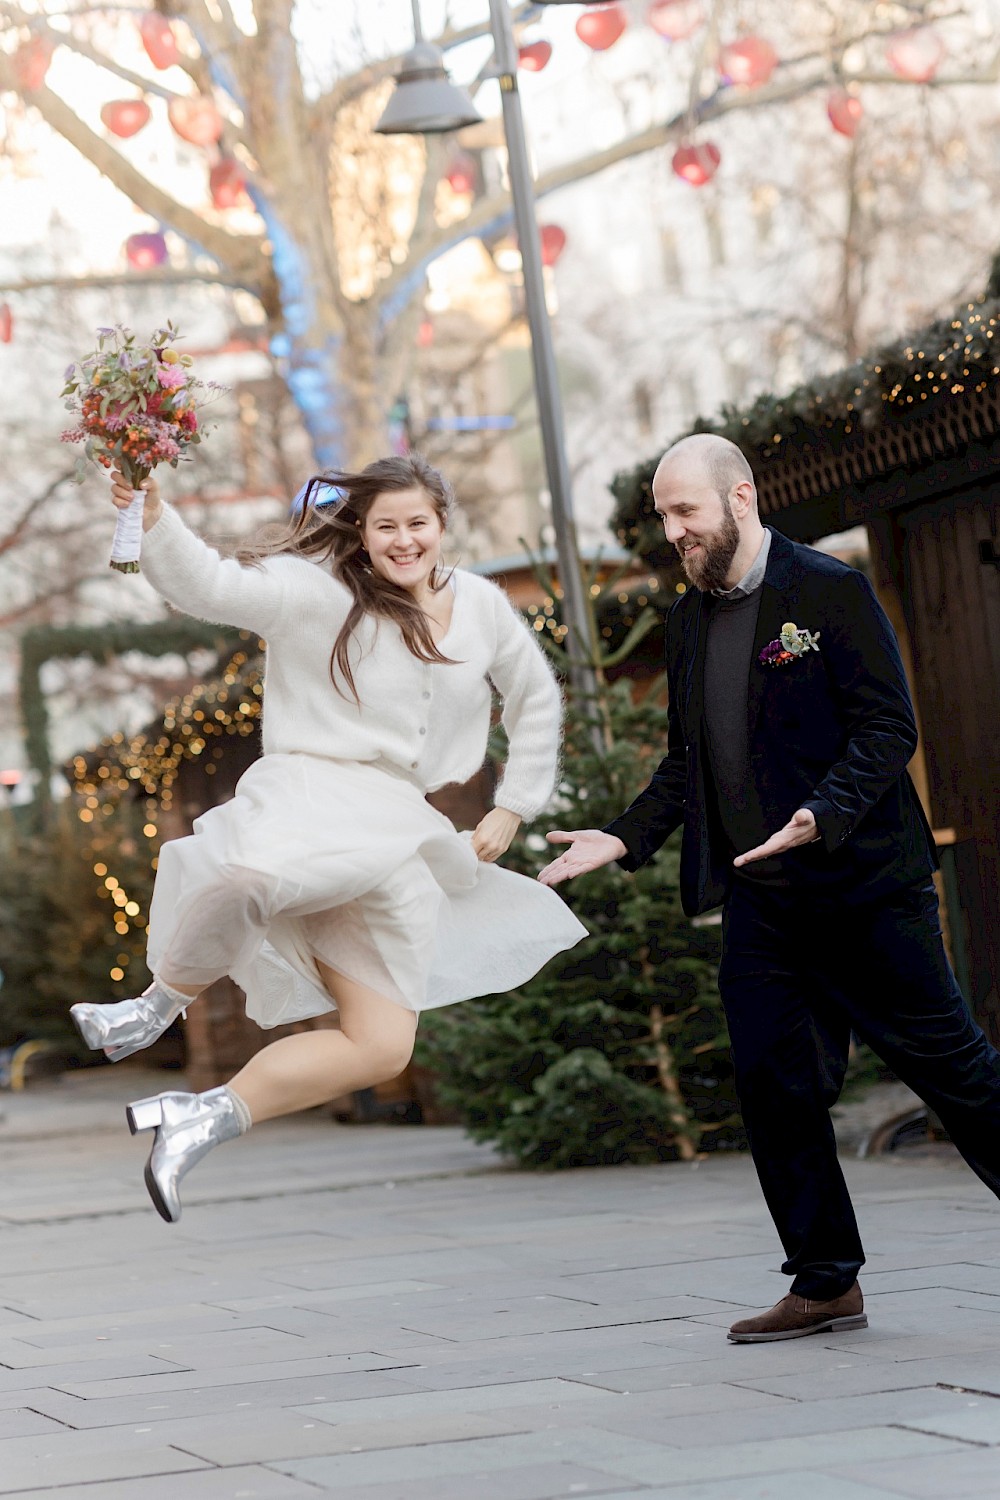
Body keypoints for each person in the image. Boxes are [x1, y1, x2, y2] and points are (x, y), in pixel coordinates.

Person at [539, 431, 1000, 1344]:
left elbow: (887, 728)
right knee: (772, 1083)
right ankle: (826, 1279)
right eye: (665, 516)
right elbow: (687, 764)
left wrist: (822, 814)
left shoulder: (827, 591)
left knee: (957, 1075)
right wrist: (623, 838)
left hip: (866, 889)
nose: (673, 530)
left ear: (739, 498)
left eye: (686, 511)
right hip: (762, 904)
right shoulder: (686, 621)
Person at [72, 454, 585, 1223]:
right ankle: (154, 1006)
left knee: (382, 1048)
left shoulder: (477, 605)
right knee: (249, 877)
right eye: (387, 527)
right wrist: (154, 518)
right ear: (362, 531)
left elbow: (535, 693)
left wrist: (514, 804)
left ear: (442, 526)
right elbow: (212, 586)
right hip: (314, 792)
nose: (404, 541)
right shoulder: (319, 592)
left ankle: (198, 1119)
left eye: (419, 524)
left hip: (397, 829)